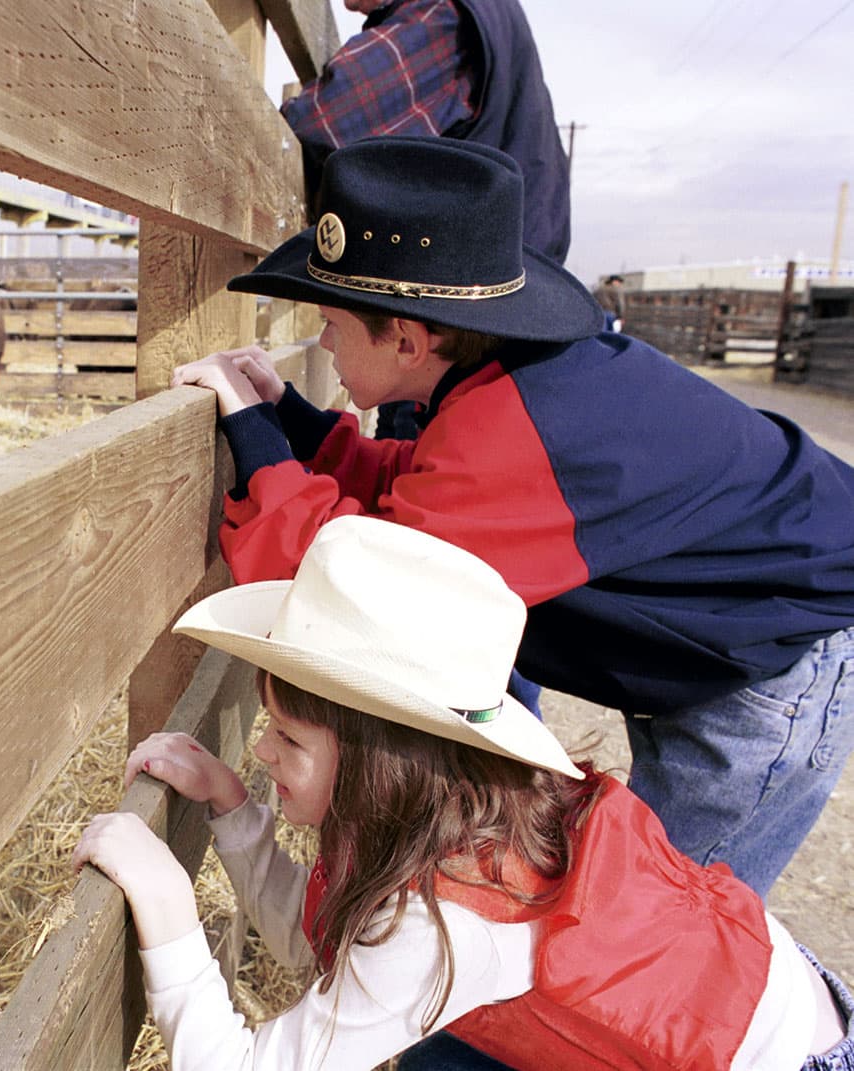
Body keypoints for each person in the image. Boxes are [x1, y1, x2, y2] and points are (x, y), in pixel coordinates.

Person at [168, 135, 854, 903]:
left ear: (406, 338)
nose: (321, 339)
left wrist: (255, 441)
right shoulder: (510, 388)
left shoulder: (515, 429)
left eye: (330, 321)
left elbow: (348, 602)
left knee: (661, 941)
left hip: (767, 674)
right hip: (734, 646)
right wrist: (298, 424)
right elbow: (426, 494)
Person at [73, 516, 853, 1070]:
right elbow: (318, 941)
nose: (262, 747)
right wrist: (232, 808)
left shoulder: (447, 915)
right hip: (777, 999)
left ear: (386, 763)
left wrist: (167, 898)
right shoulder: (445, 812)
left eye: (290, 737)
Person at [281, 0, 573, 441]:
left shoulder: (441, 14)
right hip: (470, 321)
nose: (342, 3)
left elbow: (324, 122)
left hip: (451, 326)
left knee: (417, 481)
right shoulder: (485, 22)